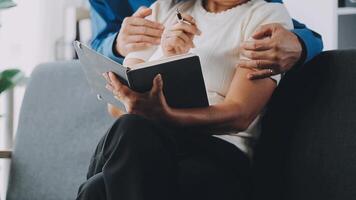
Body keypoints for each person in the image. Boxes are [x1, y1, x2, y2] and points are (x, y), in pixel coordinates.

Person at [76, 0, 297, 200]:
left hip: (217, 151)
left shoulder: (266, 16)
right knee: (108, 171)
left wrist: (166, 116)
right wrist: (167, 54)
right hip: (148, 144)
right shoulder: (163, 8)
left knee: (99, 185)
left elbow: (240, 114)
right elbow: (117, 106)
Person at [88, 0, 323, 79]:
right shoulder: (162, 7)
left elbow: (282, 23)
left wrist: (300, 45)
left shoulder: (254, 12)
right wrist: (118, 43)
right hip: (140, 111)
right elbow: (97, 45)